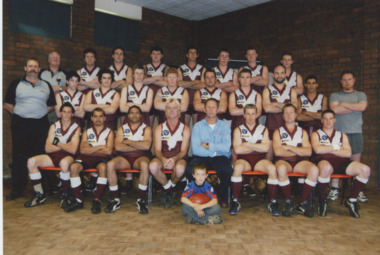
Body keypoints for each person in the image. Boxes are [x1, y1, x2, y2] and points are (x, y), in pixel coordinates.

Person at [4, 58, 56, 201]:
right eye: (30, 66)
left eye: (36, 66)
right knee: (19, 156)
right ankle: (18, 189)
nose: (33, 68)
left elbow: (52, 104)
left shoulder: (46, 85)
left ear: (39, 69)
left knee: (41, 155)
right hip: (20, 124)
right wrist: (21, 114)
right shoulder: (16, 83)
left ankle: (44, 187)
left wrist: (39, 112)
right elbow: (7, 104)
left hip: (40, 124)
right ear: (25, 68)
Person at [311, 110, 370, 218]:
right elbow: (318, 150)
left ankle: (352, 200)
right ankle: (322, 200)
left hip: (341, 162)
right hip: (323, 161)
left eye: (330, 118)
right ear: (321, 120)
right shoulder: (316, 134)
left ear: (334, 120)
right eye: (325, 118)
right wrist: (337, 147)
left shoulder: (342, 135)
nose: (328, 121)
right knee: (325, 168)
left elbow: (348, 153)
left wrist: (326, 149)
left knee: (365, 170)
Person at [24, 103, 80, 208]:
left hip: (69, 156)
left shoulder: (76, 128)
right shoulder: (54, 126)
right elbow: (47, 148)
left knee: (64, 163)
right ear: (60, 113)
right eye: (64, 112)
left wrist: (57, 143)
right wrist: (64, 145)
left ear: (72, 114)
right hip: (54, 155)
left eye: (69, 112)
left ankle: (65, 194)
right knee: (31, 162)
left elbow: (72, 150)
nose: (66, 114)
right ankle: (40, 194)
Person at [230, 104, 280, 216]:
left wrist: (247, 144)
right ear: (244, 115)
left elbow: (266, 148)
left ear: (257, 115)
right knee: (237, 168)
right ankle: (235, 201)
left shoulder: (263, 129)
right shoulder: (238, 129)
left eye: (253, 113)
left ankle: (273, 202)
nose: (250, 117)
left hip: (259, 160)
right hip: (244, 160)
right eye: (247, 113)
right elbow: (237, 149)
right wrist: (257, 146)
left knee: (272, 168)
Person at [328, 70, 369, 203]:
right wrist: (354, 108)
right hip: (339, 134)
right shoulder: (335, 95)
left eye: (349, 79)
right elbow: (334, 110)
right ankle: (334, 188)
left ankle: (357, 191)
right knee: (337, 161)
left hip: (356, 133)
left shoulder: (360, 94)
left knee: (356, 162)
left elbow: (362, 107)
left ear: (354, 80)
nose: (347, 82)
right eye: (344, 80)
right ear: (341, 82)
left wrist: (344, 104)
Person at [272, 104, 319, 217]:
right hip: (283, 161)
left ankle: (301, 203)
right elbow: (278, 152)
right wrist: (299, 150)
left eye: (291, 112)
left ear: (296, 115)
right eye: (286, 113)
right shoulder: (277, 132)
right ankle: (289, 202)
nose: (289, 115)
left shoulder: (302, 132)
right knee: (281, 168)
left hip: (299, 162)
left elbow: (308, 152)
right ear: (283, 116)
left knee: (314, 169)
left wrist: (289, 147)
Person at [185, 98, 233, 207]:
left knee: (227, 170)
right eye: (208, 107)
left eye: (213, 107)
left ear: (218, 110)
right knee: (189, 170)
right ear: (204, 110)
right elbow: (196, 149)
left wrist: (208, 145)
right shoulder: (197, 126)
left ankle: (222, 198)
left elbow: (226, 148)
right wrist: (215, 151)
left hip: (220, 157)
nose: (211, 110)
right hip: (202, 157)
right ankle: (198, 196)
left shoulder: (224, 126)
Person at [65, 108, 114, 213]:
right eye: (95, 116)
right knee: (73, 167)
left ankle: (97, 200)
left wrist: (91, 147)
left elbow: (109, 151)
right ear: (91, 118)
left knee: (103, 167)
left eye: (101, 116)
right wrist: (100, 147)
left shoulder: (109, 132)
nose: (98, 119)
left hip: (102, 158)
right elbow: (83, 150)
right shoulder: (87, 132)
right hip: (87, 158)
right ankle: (78, 200)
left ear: (105, 118)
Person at [105, 106, 152, 214]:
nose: (134, 115)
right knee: (110, 164)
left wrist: (129, 141)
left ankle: (140, 199)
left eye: (136, 113)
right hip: (124, 158)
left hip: (140, 157)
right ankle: (115, 199)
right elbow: (118, 147)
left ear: (141, 115)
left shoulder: (147, 128)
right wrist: (138, 145)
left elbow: (146, 146)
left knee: (145, 164)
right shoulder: (122, 128)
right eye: (131, 113)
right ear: (128, 115)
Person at [149, 99, 191, 208]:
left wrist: (174, 159)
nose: (171, 110)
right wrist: (163, 159)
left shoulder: (185, 128)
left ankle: (169, 187)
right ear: (165, 112)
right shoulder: (159, 128)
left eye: (174, 108)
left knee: (180, 169)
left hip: (178, 158)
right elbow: (157, 150)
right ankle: (169, 189)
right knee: (153, 166)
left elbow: (183, 151)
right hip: (162, 157)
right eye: (169, 108)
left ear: (179, 112)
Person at [262, 64, 297, 160]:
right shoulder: (267, 89)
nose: (279, 75)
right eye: (277, 73)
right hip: (271, 126)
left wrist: (275, 104)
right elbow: (267, 108)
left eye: (282, 73)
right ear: (273, 75)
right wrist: (287, 106)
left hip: (287, 127)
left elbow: (295, 108)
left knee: (287, 154)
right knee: (269, 154)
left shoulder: (291, 90)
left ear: (285, 74)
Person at [177, 46, 206, 125]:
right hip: (185, 101)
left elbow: (203, 85)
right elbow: (179, 84)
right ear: (187, 55)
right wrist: (196, 82)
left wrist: (186, 84)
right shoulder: (181, 68)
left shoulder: (202, 68)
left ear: (197, 55)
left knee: (196, 127)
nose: (193, 54)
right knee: (184, 127)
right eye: (190, 52)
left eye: (194, 53)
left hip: (197, 101)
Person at [143, 46, 169, 124]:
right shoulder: (145, 67)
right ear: (150, 55)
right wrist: (157, 77)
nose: (156, 56)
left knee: (162, 125)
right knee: (148, 125)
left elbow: (166, 83)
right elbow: (142, 81)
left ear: (162, 56)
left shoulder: (166, 68)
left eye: (158, 54)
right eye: (154, 54)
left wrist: (150, 79)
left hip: (162, 99)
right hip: (148, 99)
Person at [40, 51, 66, 124]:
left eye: (57, 57)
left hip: (58, 107)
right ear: (49, 60)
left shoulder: (65, 74)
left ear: (60, 60)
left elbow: (71, 87)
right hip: (44, 106)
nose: (55, 59)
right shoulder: (41, 72)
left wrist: (60, 88)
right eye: (53, 57)